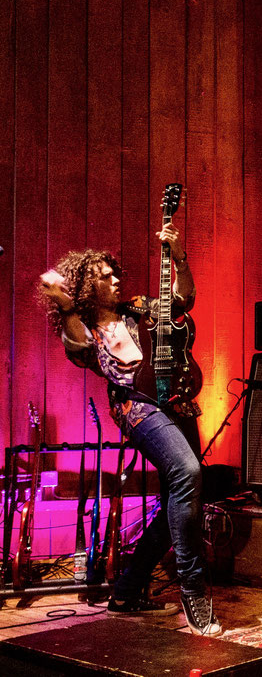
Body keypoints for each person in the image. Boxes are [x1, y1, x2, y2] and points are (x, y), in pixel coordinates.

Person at [38, 224, 221, 636]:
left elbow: (182, 300)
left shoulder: (137, 308)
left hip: (176, 401)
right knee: (187, 474)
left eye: (114, 273)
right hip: (137, 410)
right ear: (88, 286)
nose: (117, 279)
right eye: (106, 276)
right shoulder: (87, 330)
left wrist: (179, 255)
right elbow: (78, 348)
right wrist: (66, 306)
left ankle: (126, 591)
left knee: (182, 493)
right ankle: (193, 592)